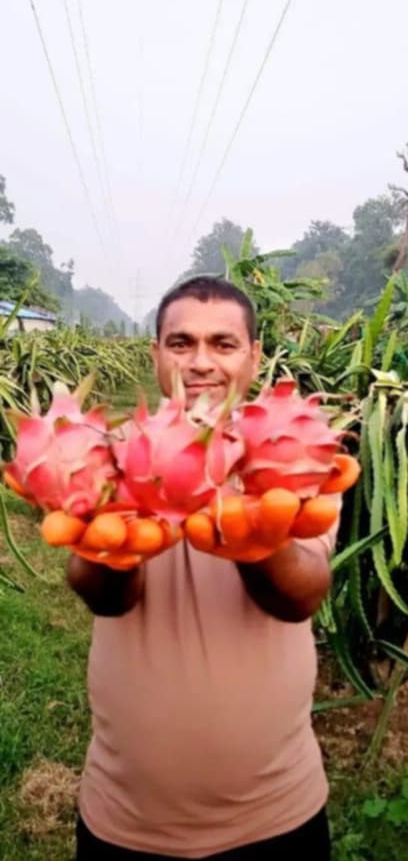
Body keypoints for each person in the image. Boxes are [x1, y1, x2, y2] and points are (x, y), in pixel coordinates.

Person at [68, 276, 341, 861]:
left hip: (277, 814)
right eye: (180, 343)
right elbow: (104, 598)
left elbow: (302, 597)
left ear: (254, 356)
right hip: (125, 818)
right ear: (156, 354)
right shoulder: (109, 454)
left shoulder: (293, 454)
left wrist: (259, 546)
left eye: (223, 344)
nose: (200, 363)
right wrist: (110, 552)